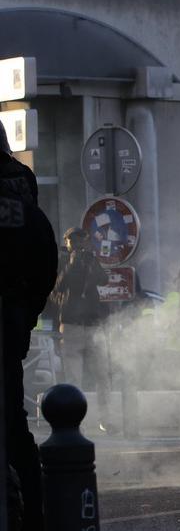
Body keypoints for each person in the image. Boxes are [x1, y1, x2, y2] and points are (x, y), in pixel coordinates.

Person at [0, 147, 57, 529]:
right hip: (10, 319)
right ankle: (34, 517)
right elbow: (46, 259)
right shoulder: (21, 189)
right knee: (15, 429)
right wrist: (25, 316)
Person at [49, 227, 113, 431]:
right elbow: (56, 287)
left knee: (102, 374)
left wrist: (91, 263)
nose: (77, 245)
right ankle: (74, 421)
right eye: (73, 241)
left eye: (81, 241)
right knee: (73, 377)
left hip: (93, 324)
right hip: (71, 324)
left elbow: (104, 279)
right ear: (67, 242)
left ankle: (105, 419)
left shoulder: (90, 259)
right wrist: (71, 263)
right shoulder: (61, 260)